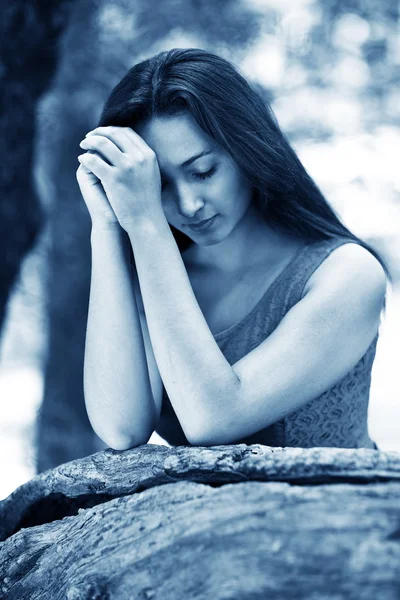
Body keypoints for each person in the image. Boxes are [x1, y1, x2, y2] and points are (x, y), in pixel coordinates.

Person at [76, 48, 389, 451]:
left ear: (246, 150)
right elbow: (121, 428)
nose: (189, 204)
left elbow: (216, 417)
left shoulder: (347, 274)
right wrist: (106, 227)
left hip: (342, 512)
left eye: (203, 171)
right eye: (159, 185)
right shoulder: (157, 276)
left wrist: (147, 221)